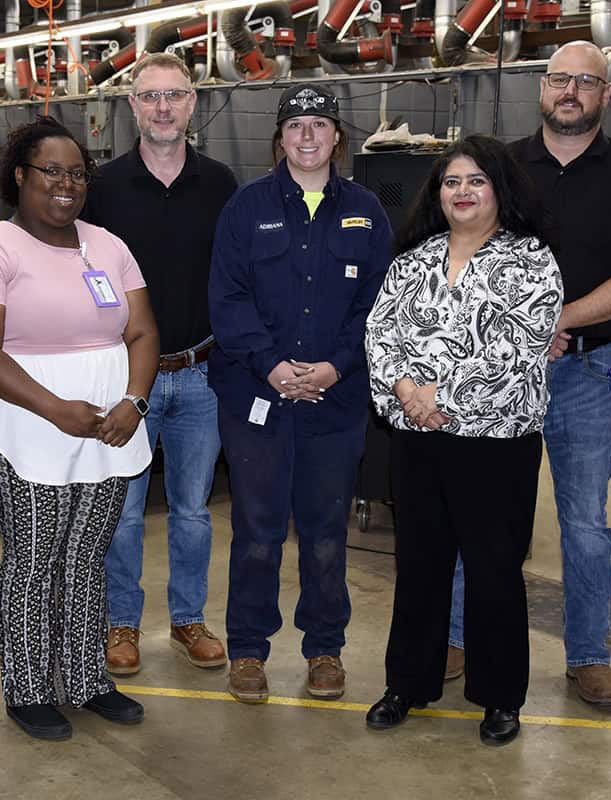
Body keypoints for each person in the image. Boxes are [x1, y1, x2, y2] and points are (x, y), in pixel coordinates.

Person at [446, 41, 611, 711]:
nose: (571, 92)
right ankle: (456, 636)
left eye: (586, 82)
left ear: (607, 94)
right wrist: (517, 329)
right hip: (497, 371)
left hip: (588, 372)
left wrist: (553, 319)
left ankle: (588, 655)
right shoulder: (500, 168)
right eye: (560, 80)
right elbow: (467, 254)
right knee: (479, 510)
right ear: (542, 89)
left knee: (585, 522)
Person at [0, 116, 159, 741]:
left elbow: (142, 330)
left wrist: (135, 401)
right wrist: (56, 409)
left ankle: (88, 678)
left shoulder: (108, 247)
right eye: (52, 171)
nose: (67, 184)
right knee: (34, 557)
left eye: (78, 173)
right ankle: (29, 689)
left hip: (109, 424)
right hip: (26, 425)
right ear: (20, 175)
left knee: (86, 556)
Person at [364, 135, 563, 745]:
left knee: (493, 570)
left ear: (500, 189)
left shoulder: (531, 261)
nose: (463, 192)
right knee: (418, 566)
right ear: (438, 193)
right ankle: (408, 684)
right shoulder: (415, 259)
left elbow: (518, 347)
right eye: (452, 182)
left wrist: (440, 398)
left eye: (477, 180)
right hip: (418, 441)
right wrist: (405, 391)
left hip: (494, 444)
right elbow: (381, 331)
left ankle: (500, 697)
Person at [209, 85, 392, 703]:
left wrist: (337, 367)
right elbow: (228, 298)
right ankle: (248, 650)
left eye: (319, 124)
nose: (307, 136)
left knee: (325, 532)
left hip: (335, 403)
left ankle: (325, 650)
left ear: (337, 136)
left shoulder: (366, 210)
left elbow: (378, 303)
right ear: (280, 137)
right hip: (257, 398)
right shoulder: (246, 207)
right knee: (257, 532)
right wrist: (271, 365)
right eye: (295, 125)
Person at [81, 52, 238, 677]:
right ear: (132, 106)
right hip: (127, 377)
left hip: (201, 372)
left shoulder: (221, 183)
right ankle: (121, 622)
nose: (163, 107)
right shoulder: (102, 188)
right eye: (150, 97)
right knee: (122, 510)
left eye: (174, 95)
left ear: (193, 102)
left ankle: (187, 619)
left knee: (193, 510)